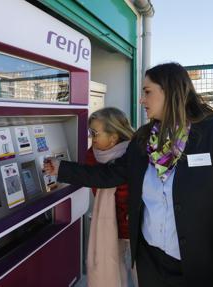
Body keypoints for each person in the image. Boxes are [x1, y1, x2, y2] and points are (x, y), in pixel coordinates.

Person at [45, 62, 213, 286]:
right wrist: (62, 168)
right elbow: (111, 174)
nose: (142, 100)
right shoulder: (143, 138)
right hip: (151, 265)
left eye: (147, 92)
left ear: (170, 91)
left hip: (201, 269)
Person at [85, 107, 137, 287]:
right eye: (90, 132)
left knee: (141, 269)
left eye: (95, 133)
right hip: (109, 223)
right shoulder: (93, 154)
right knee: (110, 266)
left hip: (133, 223)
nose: (92, 137)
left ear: (113, 137)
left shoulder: (133, 154)